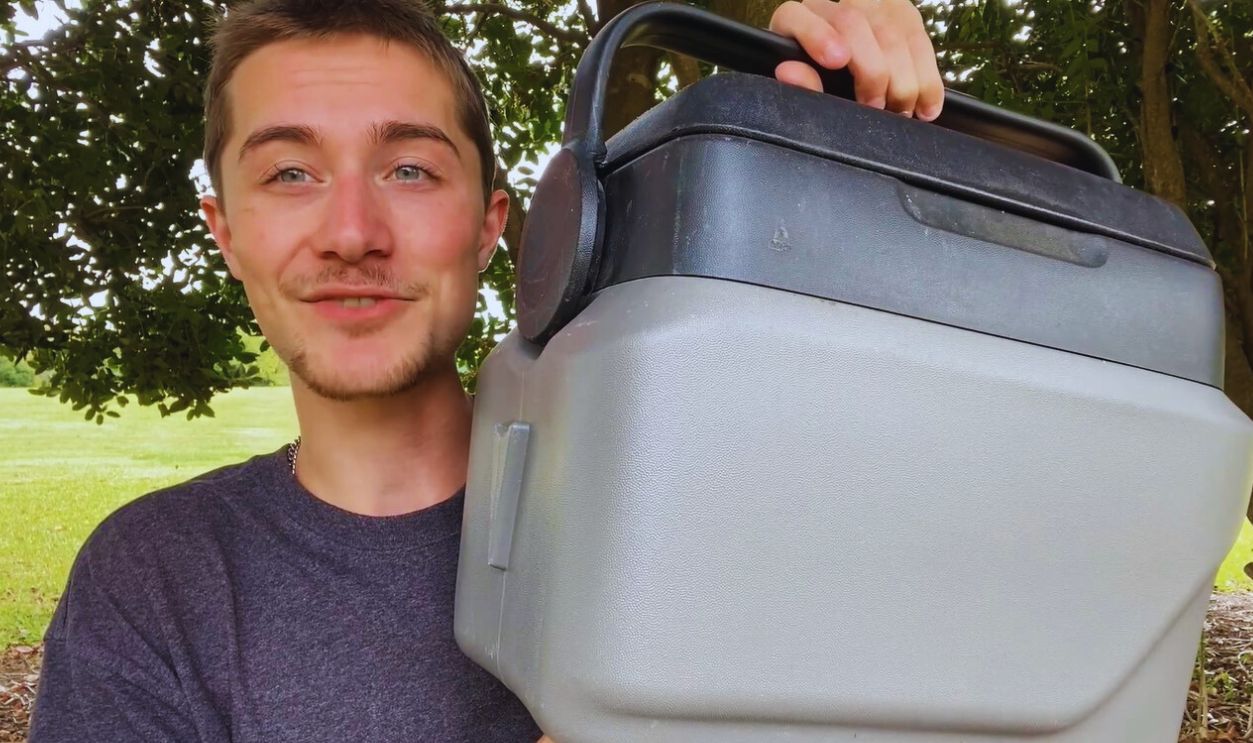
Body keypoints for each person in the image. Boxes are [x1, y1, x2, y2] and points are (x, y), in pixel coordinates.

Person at [28, 0, 943, 740]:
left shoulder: (676, 504)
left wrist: (860, 157)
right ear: (226, 232)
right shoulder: (154, 579)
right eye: (289, 174)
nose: (352, 233)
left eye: (411, 170)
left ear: (491, 222)